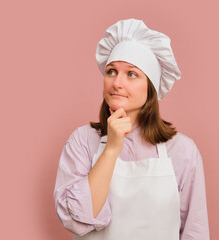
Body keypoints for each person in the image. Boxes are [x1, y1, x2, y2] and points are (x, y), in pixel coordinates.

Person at [53, 18, 210, 240]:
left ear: (151, 87)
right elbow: (77, 221)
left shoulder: (183, 151)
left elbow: (195, 232)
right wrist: (111, 149)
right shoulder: (82, 141)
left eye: (131, 74)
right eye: (111, 72)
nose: (117, 83)